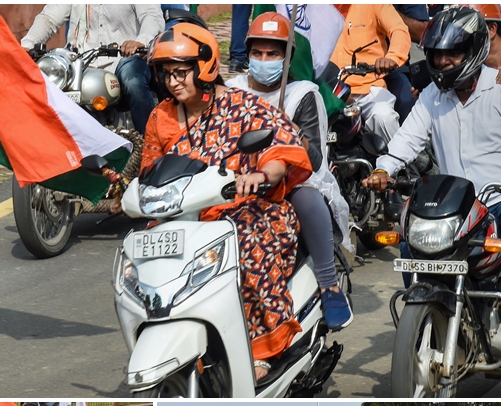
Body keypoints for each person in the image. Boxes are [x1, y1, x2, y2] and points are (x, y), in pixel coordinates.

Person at [364, 6, 501, 366]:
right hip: (457, 204)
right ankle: (427, 307)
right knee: (408, 237)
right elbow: (405, 141)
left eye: (454, 53)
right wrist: (383, 169)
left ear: (475, 50)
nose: (445, 61)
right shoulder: (432, 97)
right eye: (437, 54)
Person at [143, 23, 312, 380]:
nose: (173, 82)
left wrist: (263, 175)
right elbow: (149, 170)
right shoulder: (159, 117)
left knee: (246, 244)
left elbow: (279, 145)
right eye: (167, 74)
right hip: (185, 217)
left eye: (181, 72)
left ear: (204, 66)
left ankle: (260, 344)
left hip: (247, 210)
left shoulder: (242, 104)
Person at [227, 11, 354, 330]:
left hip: (292, 181)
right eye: (257, 52)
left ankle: (329, 285)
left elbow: (312, 161)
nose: (263, 59)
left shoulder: (303, 94)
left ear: (287, 58)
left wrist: (290, 135)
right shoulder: (231, 90)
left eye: (273, 53)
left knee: (306, 196)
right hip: (235, 181)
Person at [20, 5, 163, 134]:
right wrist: (28, 44)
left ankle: (150, 146)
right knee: (45, 87)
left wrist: (142, 41)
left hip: (122, 59)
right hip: (81, 63)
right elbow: (49, 18)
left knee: (133, 82)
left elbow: (151, 15)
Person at [330, 5, 411, 141]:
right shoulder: (315, 8)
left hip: (368, 89)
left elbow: (399, 30)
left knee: (383, 117)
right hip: (328, 90)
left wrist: (391, 58)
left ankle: (399, 160)